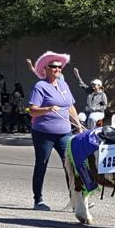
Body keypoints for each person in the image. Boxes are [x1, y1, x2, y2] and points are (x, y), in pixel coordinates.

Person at [27, 51, 84, 211]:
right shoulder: (40, 86)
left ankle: (75, 200)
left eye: (60, 67)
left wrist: (78, 126)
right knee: (42, 164)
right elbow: (32, 110)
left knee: (71, 165)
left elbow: (70, 107)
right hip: (43, 133)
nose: (57, 69)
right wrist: (48, 108)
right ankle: (38, 200)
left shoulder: (63, 85)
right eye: (54, 67)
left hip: (64, 133)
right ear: (45, 68)